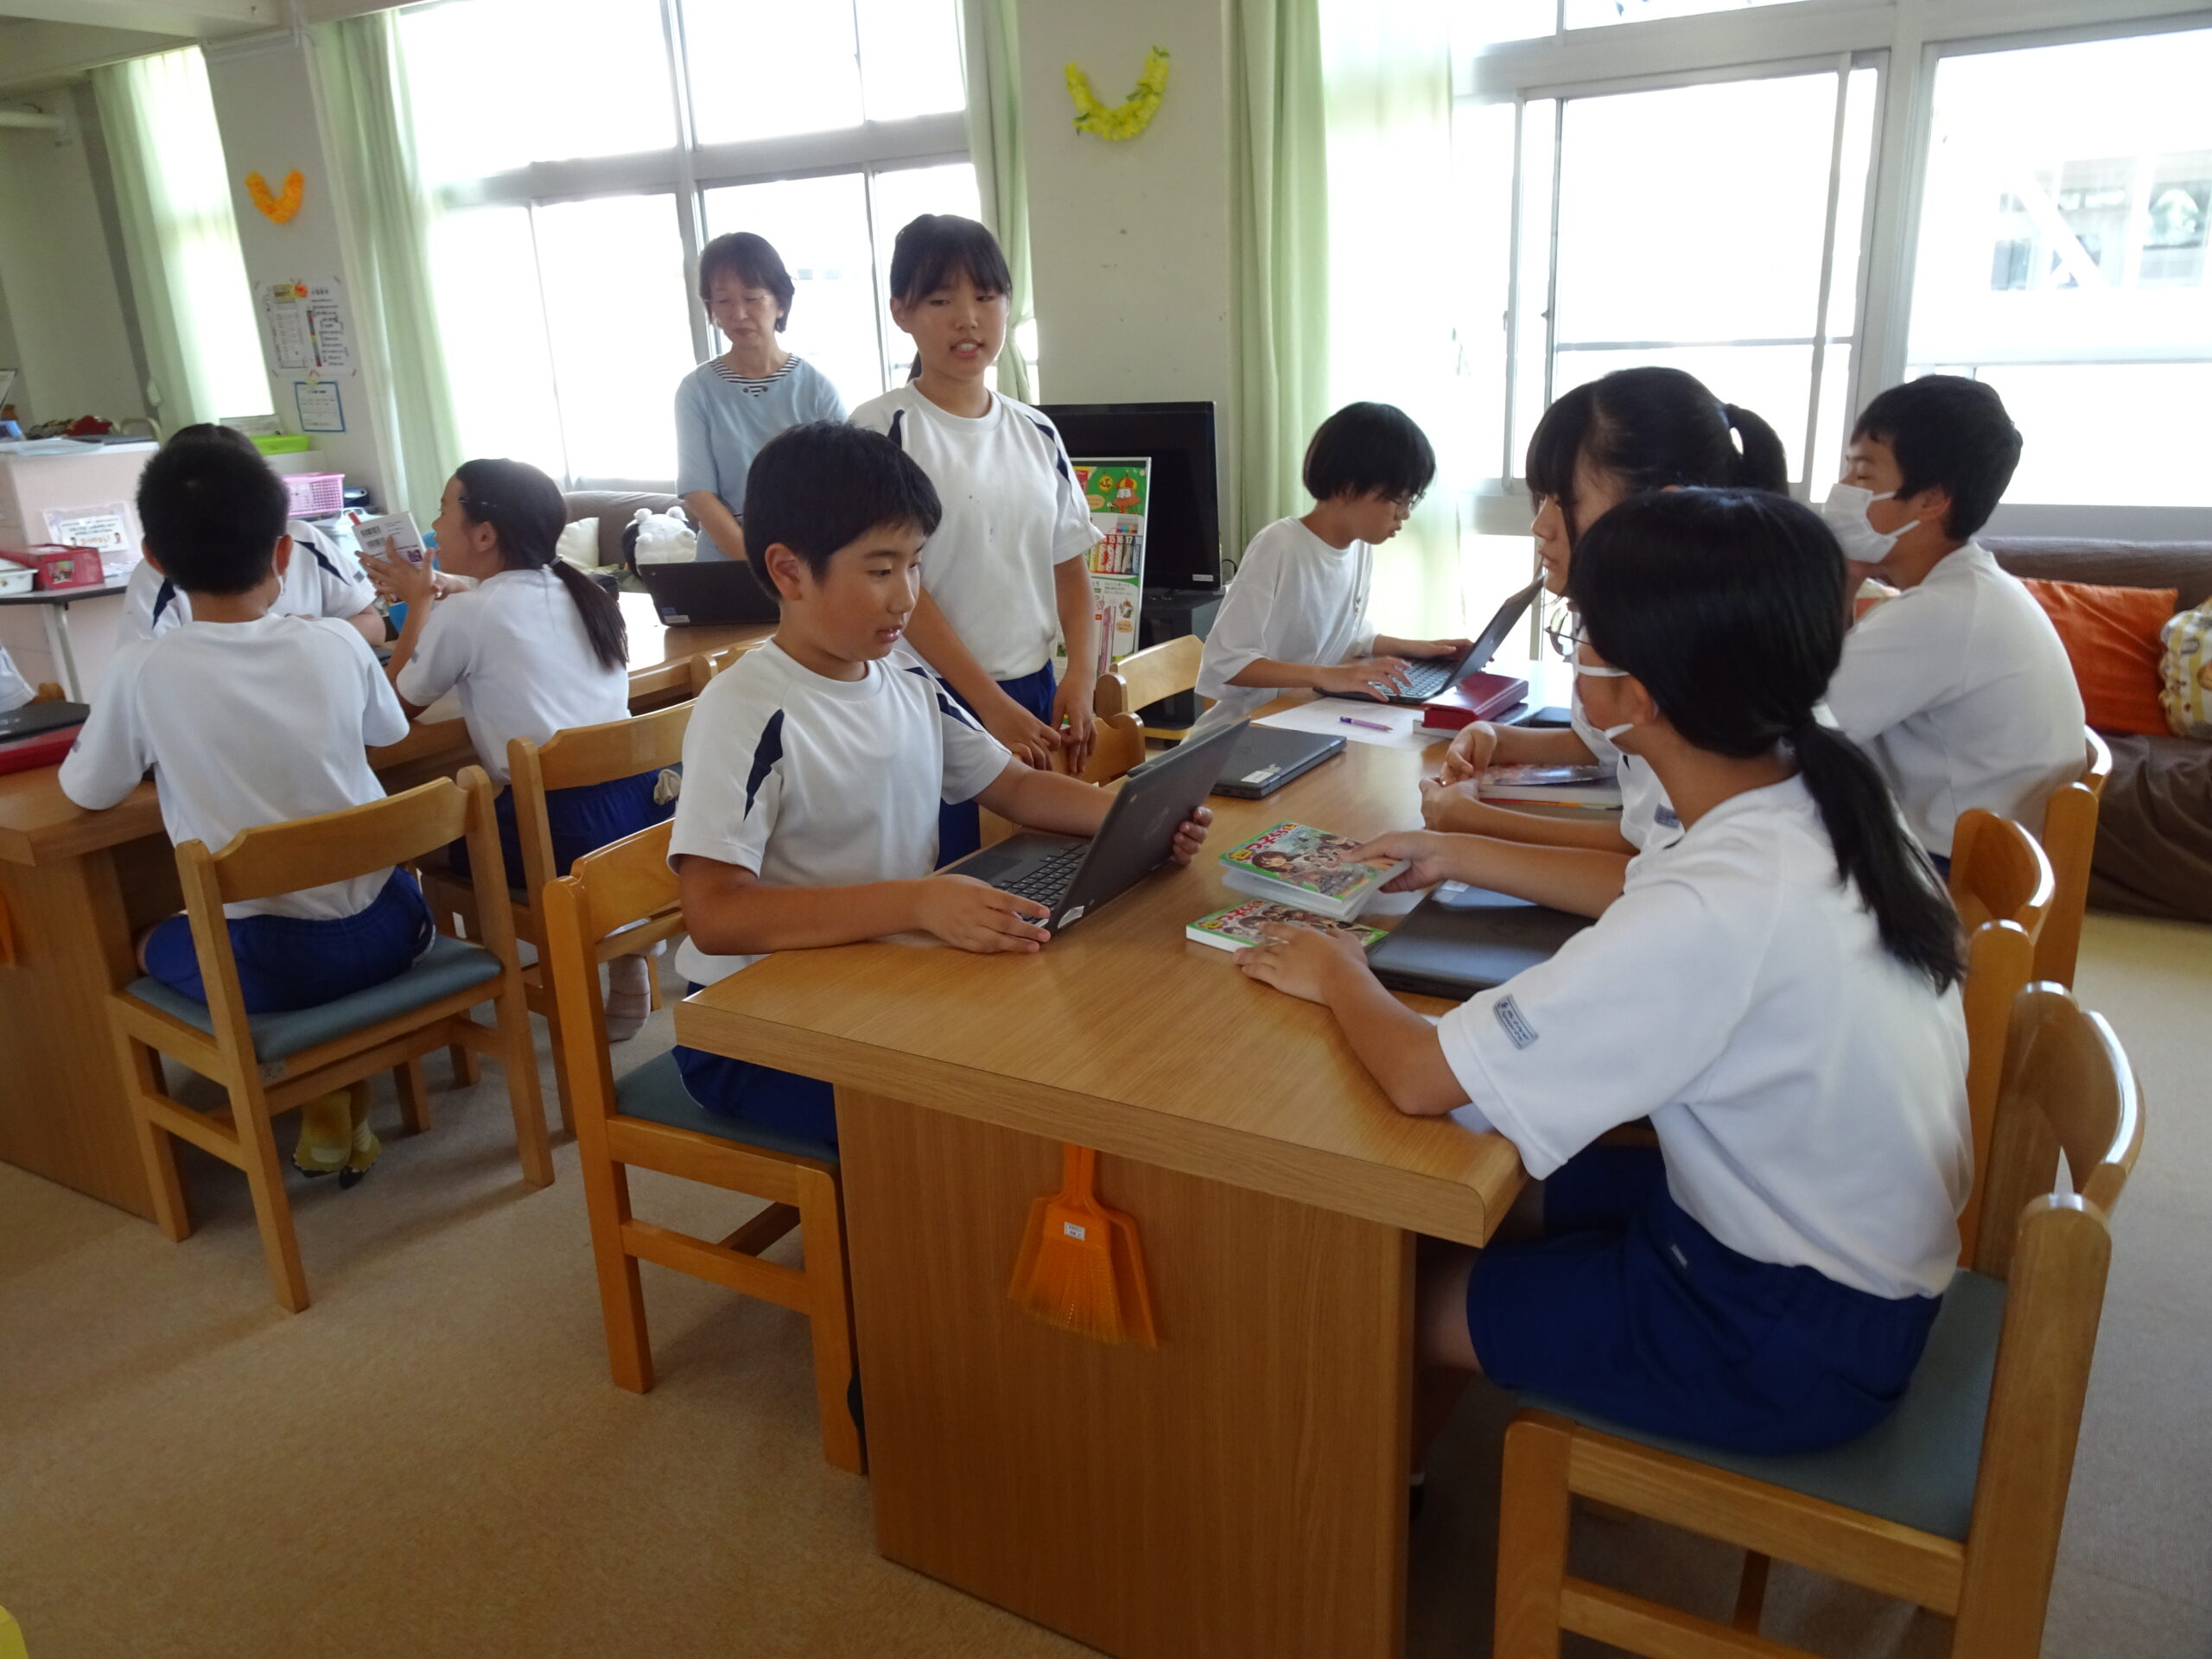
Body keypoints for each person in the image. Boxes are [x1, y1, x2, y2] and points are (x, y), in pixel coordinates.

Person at [1236, 487, 1969, 1459]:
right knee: (1477, 1196)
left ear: (1643, 694)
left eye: (1584, 630)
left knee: (1370, 1293)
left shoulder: (1719, 906)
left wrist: (1338, 971)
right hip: (1825, 1249)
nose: (1575, 647)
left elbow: (1420, 1078)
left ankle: (1377, 1494)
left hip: (1782, 1330)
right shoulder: (1817, 782)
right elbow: (1645, 886)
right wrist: (1453, 852)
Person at [669, 423, 1211, 1149]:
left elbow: (1016, 786)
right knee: (979, 1122)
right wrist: (918, 902)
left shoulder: (905, 679)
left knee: (1063, 1053)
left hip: (880, 977)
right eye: (880, 570)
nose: (907, 597)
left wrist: (1136, 817)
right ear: (790, 572)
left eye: (916, 565)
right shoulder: (746, 709)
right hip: (751, 1030)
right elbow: (715, 914)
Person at [60, 439, 429, 1181]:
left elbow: (87, 792)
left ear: (154, 560)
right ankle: (339, 1084)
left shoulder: (142, 669)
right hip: (397, 926)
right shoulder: (338, 642)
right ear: (284, 551)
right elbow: (389, 733)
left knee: (144, 942)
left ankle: (311, 1081)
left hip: (273, 968)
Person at [1427, 367, 1789, 917]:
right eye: (1541, 498)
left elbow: (1653, 883)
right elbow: (1637, 825)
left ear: (1660, 509)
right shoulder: (1662, 628)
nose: (1540, 526)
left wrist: (1468, 830)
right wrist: (1497, 737)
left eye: (1564, 499)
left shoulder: (1700, 670)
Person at [369, 459, 665, 1039]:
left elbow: (389, 714)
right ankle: (620, 937)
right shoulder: (584, 590)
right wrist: (450, 591)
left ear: (484, 535)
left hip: (554, 835)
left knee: (415, 837)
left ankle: (451, 1000)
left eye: (443, 509)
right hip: (639, 813)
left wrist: (419, 606)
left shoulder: (466, 615)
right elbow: (504, 612)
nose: (434, 523)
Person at [849, 214, 1101, 862]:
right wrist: (986, 704)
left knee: (1039, 869)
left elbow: (1068, 565)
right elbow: (895, 587)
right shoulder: (880, 431)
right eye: (940, 301)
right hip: (925, 695)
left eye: (986, 297)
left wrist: (1080, 673)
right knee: (952, 873)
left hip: (1032, 688)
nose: (968, 320)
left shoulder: (1036, 430)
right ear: (902, 312)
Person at [1820, 376, 2084, 873]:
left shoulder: (1941, 613)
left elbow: (1804, 725)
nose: (1843, 490)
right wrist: (1848, 579)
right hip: (1983, 855)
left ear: (1931, 500)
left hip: (1949, 869)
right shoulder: (1972, 587)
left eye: (1862, 473)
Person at [1186, 402, 1469, 741]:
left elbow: (1350, 636)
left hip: (1302, 721)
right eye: (1399, 500)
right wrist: (1326, 676)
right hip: (1242, 733)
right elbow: (1225, 662)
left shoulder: (1359, 547)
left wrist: (1420, 648)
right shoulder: (1280, 545)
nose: (1405, 514)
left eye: (1411, 500)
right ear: (1347, 488)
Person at [119, 424, 381, 647]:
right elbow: (144, 664)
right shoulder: (162, 569)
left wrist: (314, 634)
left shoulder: (304, 539)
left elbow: (374, 626)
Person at [674, 232, 848, 566]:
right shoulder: (696, 391)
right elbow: (699, 494)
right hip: (724, 566)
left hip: (804, 563)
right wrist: (761, 565)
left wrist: (795, 565)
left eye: (752, 298)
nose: (739, 314)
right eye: (723, 301)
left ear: (780, 302)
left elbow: (841, 489)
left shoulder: (817, 389)